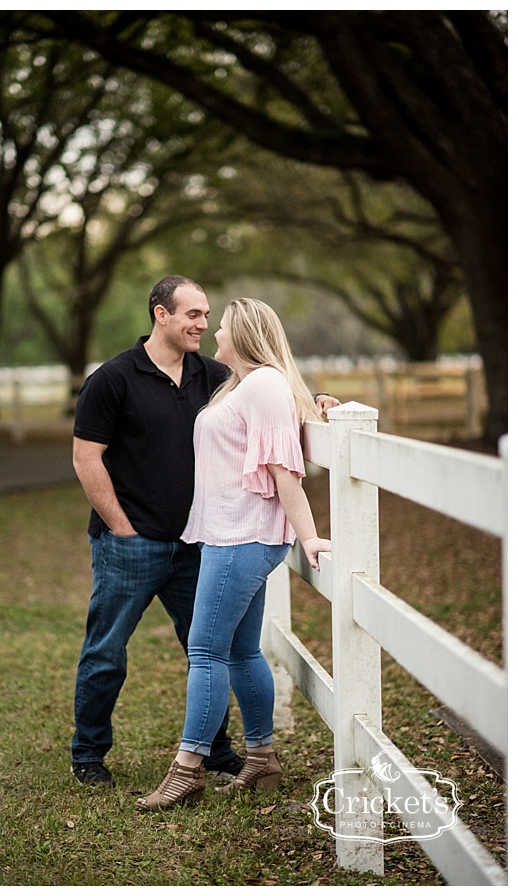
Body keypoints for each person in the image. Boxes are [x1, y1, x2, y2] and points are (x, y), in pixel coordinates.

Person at [70, 276, 336, 788]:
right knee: (107, 650)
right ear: (160, 315)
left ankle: (214, 755)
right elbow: (86, 459)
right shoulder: (113, 379)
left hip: (202, 543)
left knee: (213, 648)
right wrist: (123, 530)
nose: (204, 324)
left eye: (209, 315)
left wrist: (321, 399)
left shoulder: (214, 375)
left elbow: (274, 386)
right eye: (193, 314)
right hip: (133, 543)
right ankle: (88, 753)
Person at [136, 297, 332, 810]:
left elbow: (282, 469)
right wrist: (320, 400)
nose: (214, 333)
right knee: (242, 651)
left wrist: (308, 535)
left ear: (241, 335)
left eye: (220, 326)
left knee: (205, 650)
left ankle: (186, 770)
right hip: (229, 533)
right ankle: (262, 759)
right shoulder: (241, 385)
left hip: (243, 536)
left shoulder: (263, 384)